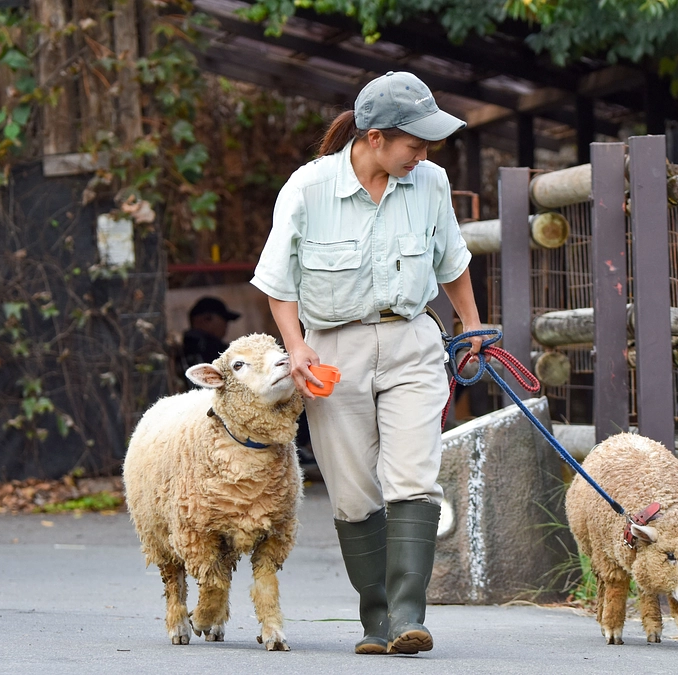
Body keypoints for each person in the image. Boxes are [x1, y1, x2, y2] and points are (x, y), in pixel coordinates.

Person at [251, 71, 484, 656]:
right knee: (354, 493)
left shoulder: (429, 182)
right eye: (415, 143)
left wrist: (472, 323)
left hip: (412, 341)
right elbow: (278, 282)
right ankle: (374, 618)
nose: (423, 155)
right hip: (333, 349)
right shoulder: (308, 189)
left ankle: (409, 613)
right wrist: (296, 343)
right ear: (375, 137)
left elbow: (451, 259)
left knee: (414, 476)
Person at [181, 296, 240, 368]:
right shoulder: (210, 348)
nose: (226, 325)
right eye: (224, 320)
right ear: (206, 319)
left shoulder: (184, 346)